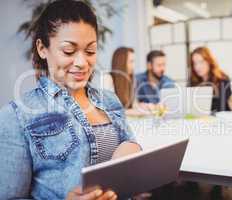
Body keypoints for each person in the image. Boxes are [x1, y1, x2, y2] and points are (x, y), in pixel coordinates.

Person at [0, 0, 141, 199]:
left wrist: (131, 149)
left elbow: (128, 146)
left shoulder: (109, 100)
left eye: (90, 51)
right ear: (42, 48)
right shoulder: (15, 116)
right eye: (68, 51)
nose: (82, 62)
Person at [189, 47, 232, 112]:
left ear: (209, 61)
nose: (197, 67)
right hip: (199, 119)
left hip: (220, 117)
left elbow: (219, 106)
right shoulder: (193, 81)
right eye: (195, 63)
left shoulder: (222, 79)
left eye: (201, 62)